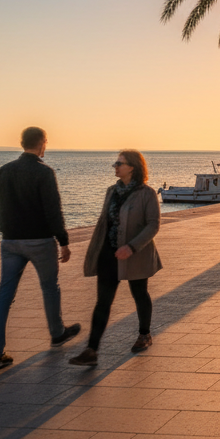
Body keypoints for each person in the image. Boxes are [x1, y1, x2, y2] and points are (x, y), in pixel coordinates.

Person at [0, 127, 80, 371]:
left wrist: (9, 226)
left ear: (21, 143)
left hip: (10, 242)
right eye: (46, 142)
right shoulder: (44, 172)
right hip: (39, 241)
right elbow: (53, 210)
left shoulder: (3, 171)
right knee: (50, 287)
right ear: (41, 144)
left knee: (4, 296)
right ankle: (57, 332)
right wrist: (64, 241)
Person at [69, 150, 162, 366]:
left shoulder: (146, 193)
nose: (115, 166)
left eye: (119, 163)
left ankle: (144, 334)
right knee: (103, 302)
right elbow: (105, 222)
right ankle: (91, 350)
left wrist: (131, 247)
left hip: (135, 255)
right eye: (115, 163)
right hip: (109, 254)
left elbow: (153, 224)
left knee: (139, 293)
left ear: (132, 167)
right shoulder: (111, 191)